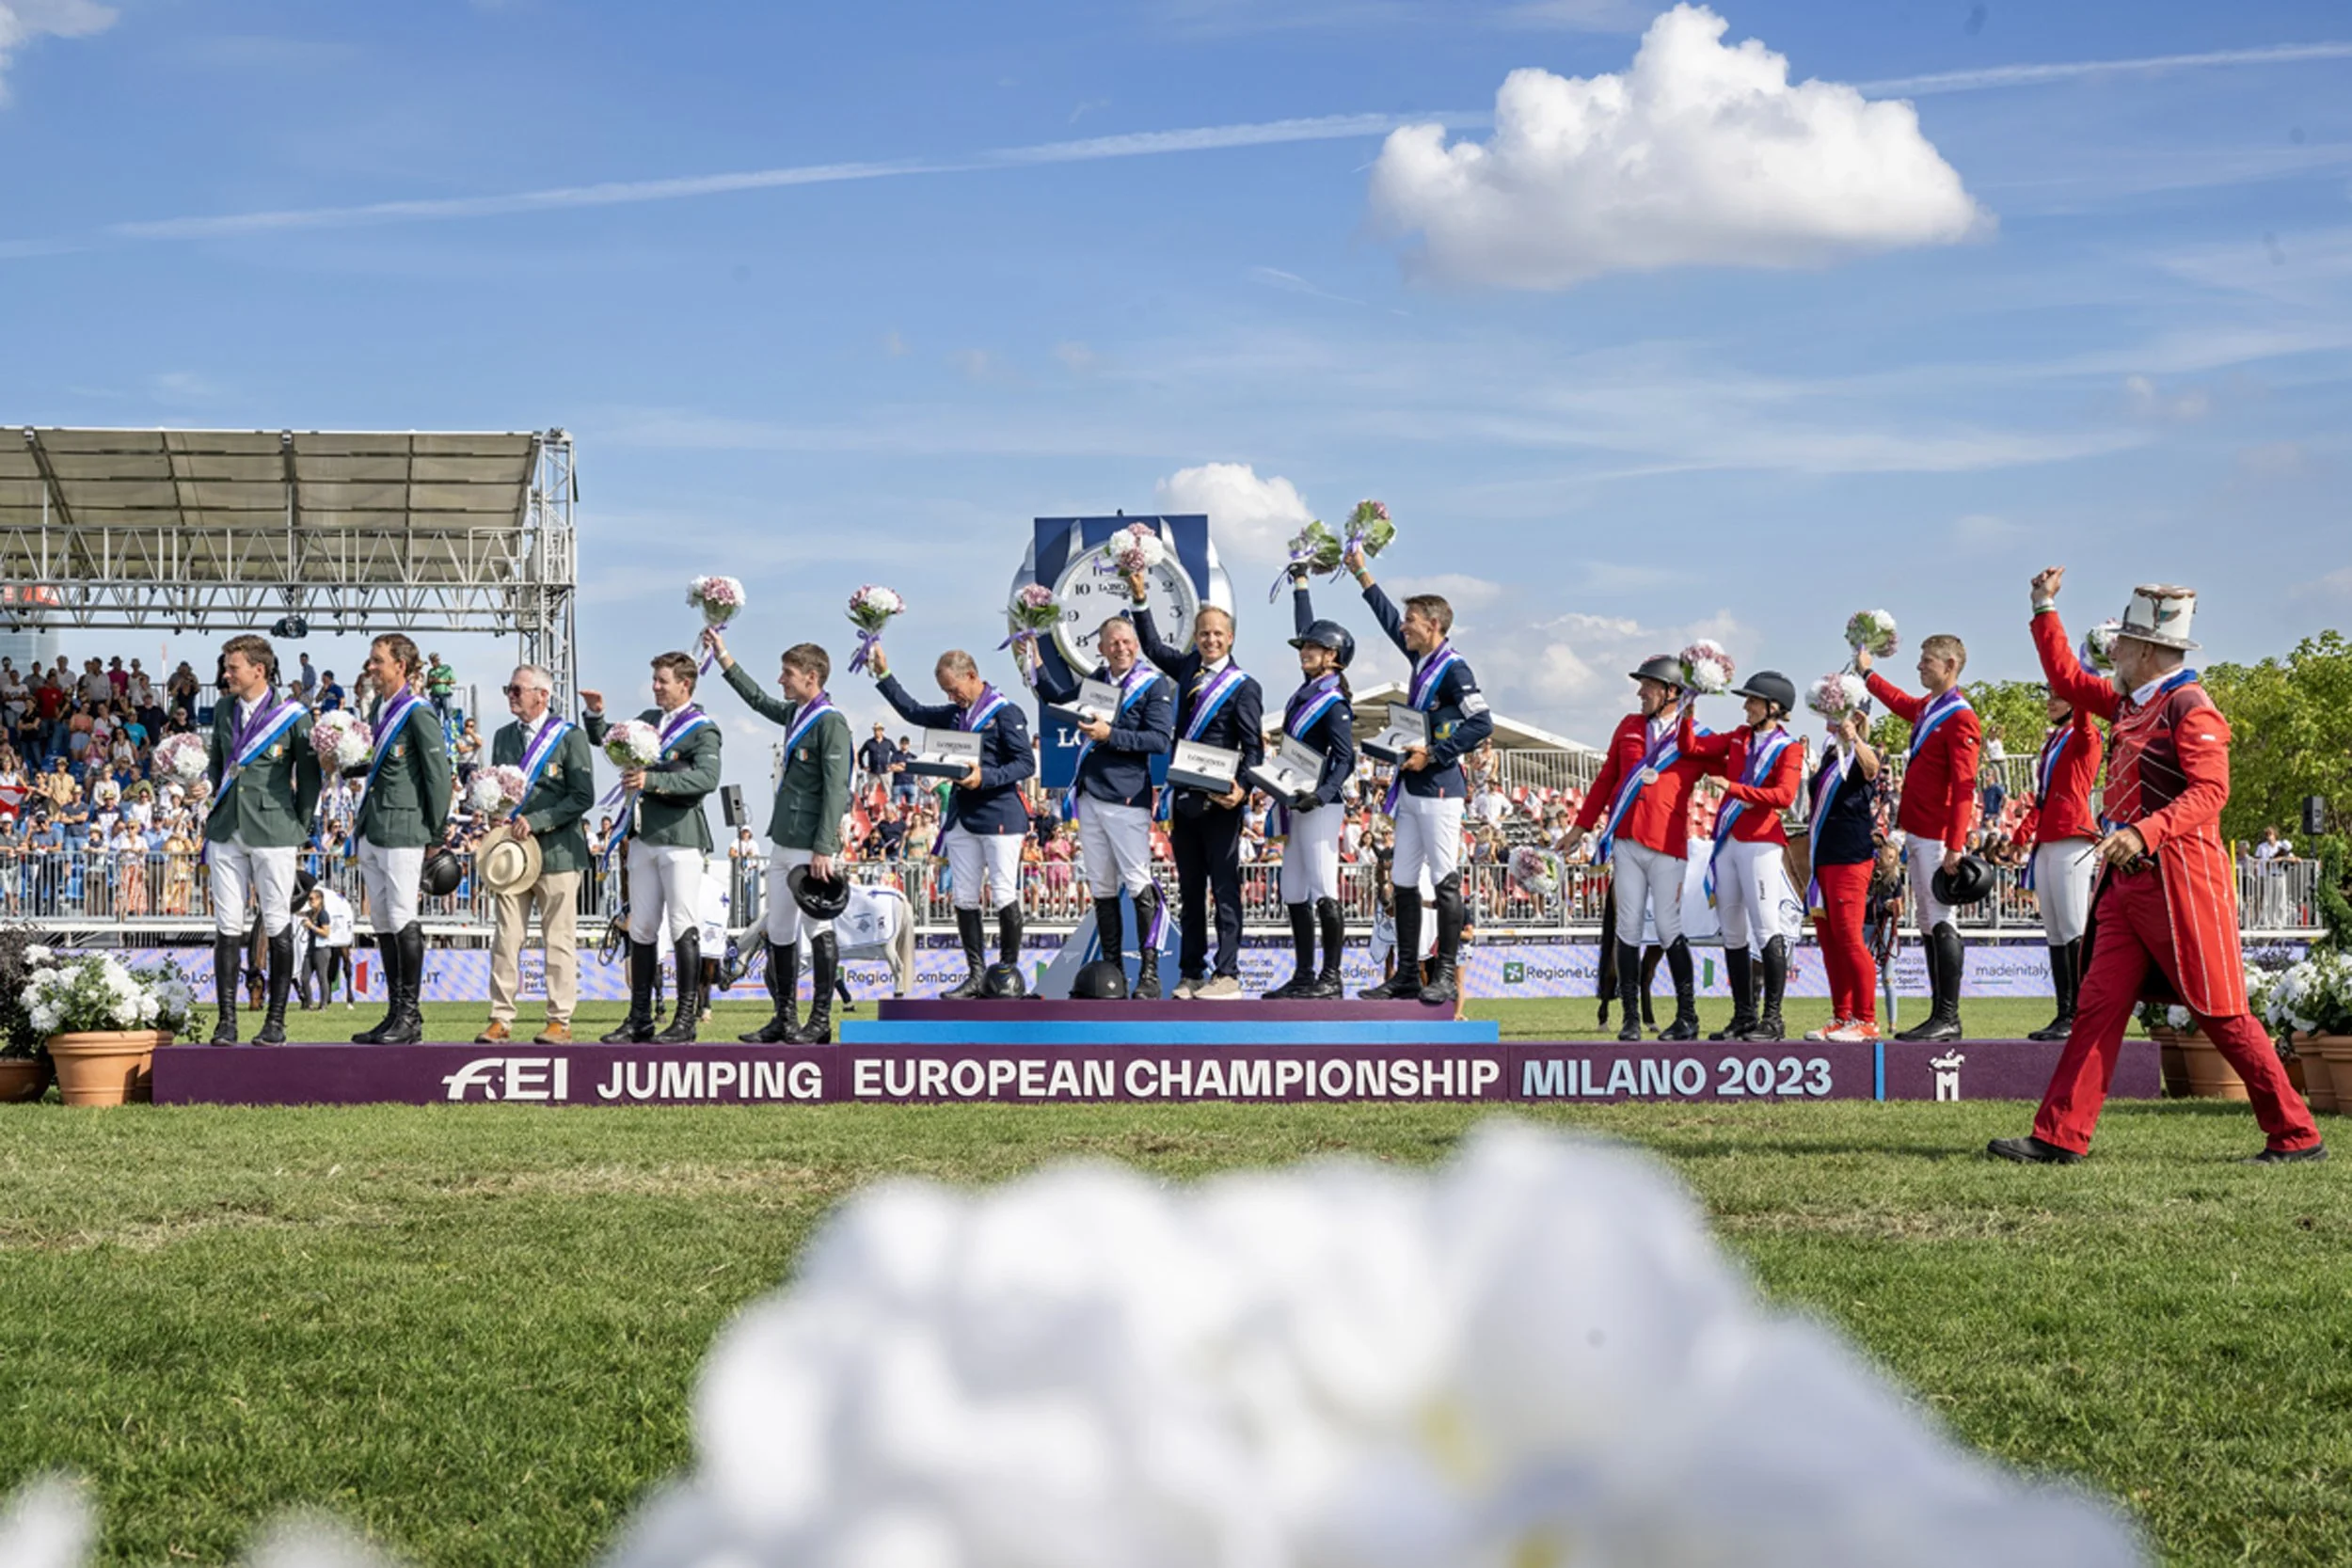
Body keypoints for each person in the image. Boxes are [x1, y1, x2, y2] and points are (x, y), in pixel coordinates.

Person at [1991, 570, 2324, 1165]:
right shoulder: (2131, 699)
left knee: (2221, 1013)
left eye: (2121, 641)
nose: (2112, 648)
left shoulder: (2191, 708)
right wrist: (2043, 607)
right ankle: (2060, 1135)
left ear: (2146, 650)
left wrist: (2143, 832)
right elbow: (2065, 676)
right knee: (2097, 1006)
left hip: (2181, 885)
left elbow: (2210, 794)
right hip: (2127, 887)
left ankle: (2296, 1135)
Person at [1340, 540, 1493, 1006]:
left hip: (1440, 790)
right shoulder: (1422, 659)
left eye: (1411, 622)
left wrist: (1437, 753)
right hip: (1412, 787)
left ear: (1434, 625)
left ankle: (1443, 973)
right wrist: (1361, 574)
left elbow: (1482, 722)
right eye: (1405, 621)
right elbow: (1388, 620)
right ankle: (1407, 972)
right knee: (1404, 880)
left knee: (1445, 880)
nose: (1403, 627)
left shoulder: (1453, 668)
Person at [706, 628, 851, 1043]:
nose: (780, 681)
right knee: (781, 931)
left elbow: (836, 788)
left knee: (817, 930)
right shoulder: (795, 715)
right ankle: (784, 1019)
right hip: (784, 839)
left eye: (787, 673)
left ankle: (820, 1022)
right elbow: (757, 699)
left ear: (811, 676)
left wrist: (825, 846)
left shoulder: (831, 723)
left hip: (811, 844)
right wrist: (724, 658)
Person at [867, 643, 1035, 1000]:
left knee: (1004, 893)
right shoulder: (954, 715)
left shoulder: (1005, 713)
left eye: (954, 689)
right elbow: (913, 711)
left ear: (972, 676)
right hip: (962, 817)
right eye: (945, 691)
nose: (951, 696)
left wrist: (983, 777)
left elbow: (1025, 764)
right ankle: (975, 975)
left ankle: (1008, 975)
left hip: (1000, 813)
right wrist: (884, 674)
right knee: (963, 896)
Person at [1124, 576, 1263, 1001]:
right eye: (1204, 633)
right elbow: (1150, 645)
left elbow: (1253, 748)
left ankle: (1228, 974)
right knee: (1189, 890)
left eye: (1218, 634)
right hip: (1185, 798)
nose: (1210, 640)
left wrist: (1242, 788)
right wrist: (1141, 596)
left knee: (1223, 890)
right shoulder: (1187, 668)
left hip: (1222, 801)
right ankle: (1191, 972)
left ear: (1231, 638)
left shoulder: (1244, 687)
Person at [1024, 614, 1175, 998]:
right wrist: (1037, 662)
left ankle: (1150, 974)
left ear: (1136, 645)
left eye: (1126, 642)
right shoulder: (1097, 682)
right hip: (1090, 796)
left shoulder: (1152, 683)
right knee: (1103, 888)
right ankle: (1114, 972)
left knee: (1139, 883)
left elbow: (1158, 740)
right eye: (1113, 643)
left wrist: (1111, 735)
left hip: (1126, 796)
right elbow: (1062, 700)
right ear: (1102, 648)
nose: (1120, 648)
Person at [1560, 657, 1703, 1040]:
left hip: (1668, 845)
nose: (1640, 692)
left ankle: (1687, 1015)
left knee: (1670, 928)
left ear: (1672, 692)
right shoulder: (1628, 727)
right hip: (1626, 841)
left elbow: (1730, 763)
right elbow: (1607, 778)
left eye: (1649, 686)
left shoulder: (1694, 733)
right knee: (1627, 928)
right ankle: (1630, 1019)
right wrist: (1580, 827)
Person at [583, 652, 722, 1043]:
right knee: (641, 927)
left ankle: (685, 1019)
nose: (656, 686)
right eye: (655, 680)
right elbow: (612, 741)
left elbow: (707, 778)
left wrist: (653, 782)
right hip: (642, 836)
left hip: (681, 837)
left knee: (682, 924)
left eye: (663, 680)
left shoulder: (703, 730)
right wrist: (596, 716)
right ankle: (639, 1017)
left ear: (685, 685)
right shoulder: (649, 719)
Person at [1858, 630, 1981, 1043]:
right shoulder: (1932, 707)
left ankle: (1948, 1015)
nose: (1919, 666)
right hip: (1921, 831)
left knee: (1940, 921)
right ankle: (1939, 1014)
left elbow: (1965, 784)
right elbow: (1900, 703)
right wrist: (1869, 676)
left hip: (1938, 834)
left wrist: (1956, 844)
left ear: (1949, 666)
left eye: (1927, 660)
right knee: (1929, 923)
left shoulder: (1960, 716)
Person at [201, 633, 321, 1045]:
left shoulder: (293, 715)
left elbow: (309, 780)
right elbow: (217, 766)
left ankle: (276, 1021)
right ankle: (226, 1021)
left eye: (232, 667)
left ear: (259, 670)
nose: (225, 674)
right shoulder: (221, 709)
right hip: (225, 828)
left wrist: (297, 828)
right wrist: (205, 791)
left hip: (273, 830)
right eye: (225, 667)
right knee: (227, 926)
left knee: (277, 922)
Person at [477, 664, 596, 1046]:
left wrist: (538, 820)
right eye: (508, 688)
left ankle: (559, 1019)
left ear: (542, 695)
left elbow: (582, 796)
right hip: (513, 854)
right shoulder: (502, 737)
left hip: (558, 852)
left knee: (558, 938)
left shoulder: (570, 737)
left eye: (517, 689)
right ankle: (500, 1017)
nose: (511, 695)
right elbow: (502, 790)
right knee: (506, 936)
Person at [1685, 672, 1805, 1041]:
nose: (1746, 707)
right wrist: (1689, 712)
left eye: (1752, 701)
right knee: (1733, 931)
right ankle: (1743, 1015)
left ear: (1773, 707)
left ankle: (1774, 1018)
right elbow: (1693, 748)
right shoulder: (1738, 736)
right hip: (1728, 841)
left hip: (1760, 842)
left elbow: (1785, 797)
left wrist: (1734, 788)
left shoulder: (1789, 748)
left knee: (1767, 927)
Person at [350, 633, 454, 1045]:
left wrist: (435, 834)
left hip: (405, 828)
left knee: (402, 917)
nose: (371, 667)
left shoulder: (418, 712)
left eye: (378, 661)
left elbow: (438, 777)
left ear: (402, 667)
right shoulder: (381, 707)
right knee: (381, 922)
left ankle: (410, 1016)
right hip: (375, 827)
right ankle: (394, 1012)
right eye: (371, 660)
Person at [1263, 573, 1358, 999]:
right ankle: (1304, 974)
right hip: (1297, 800)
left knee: (1322, 885)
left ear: (1332, 656)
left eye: (1313, 648)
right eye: (1305, 647)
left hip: (1321, 802)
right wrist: (1301, 587)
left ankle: (1331, 977)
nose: (1305, 651)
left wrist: (1322, 793)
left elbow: (1346, 758)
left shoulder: (1333, 702)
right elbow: (1306, 627)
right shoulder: (1308, 690)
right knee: (1293, 889)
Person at [2008, 684, 2105, 1042]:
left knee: (2071, 925)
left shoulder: (2086, 734)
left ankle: (2081, 1012)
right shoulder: (2052, 741)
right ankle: (2064, 1011)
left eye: (2059, 696)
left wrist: (2079, 684)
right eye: (2049, 695)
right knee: (2053, 929)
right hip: (2048, 836)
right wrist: (2020, 836)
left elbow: (2083, 719)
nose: (2050, 701)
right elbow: (2044, 797)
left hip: (2072, 835)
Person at [1804, 703, 1886, 1042]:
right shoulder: (1828, 755)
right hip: (1823, 856)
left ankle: (1866, 1019)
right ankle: (1842, 1016)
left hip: (1849, 857)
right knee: (1830, 942)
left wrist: (1855, 739)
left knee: (1850, 939)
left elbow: (1872, 770)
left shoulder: (1863, 753)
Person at [425, 651, 456, 719]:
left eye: (436, 660)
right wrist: (430, 682)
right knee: (435, 715)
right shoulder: (430, 671)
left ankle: (448, 728)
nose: (434, 663)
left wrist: (442, 681)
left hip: (446, 694)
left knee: (448, 714)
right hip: (435, 695)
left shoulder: (446, 668)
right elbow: (427, 687)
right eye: (432, 661)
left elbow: (454, 681)